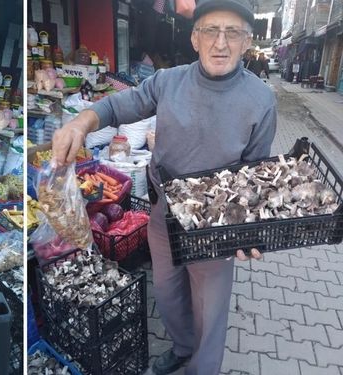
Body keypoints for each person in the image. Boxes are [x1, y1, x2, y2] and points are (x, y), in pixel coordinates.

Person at [51, 0, 277, 373]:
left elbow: (256, 174)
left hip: (216, 224)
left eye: (232, 32)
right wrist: (80, 123)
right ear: (194, 38)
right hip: (165, 210)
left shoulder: (260, 100)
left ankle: (202, 366)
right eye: (211, 31)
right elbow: (120, 106)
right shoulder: (168, 81)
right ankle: (182, 347)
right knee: (169, 292)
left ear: (246, 41)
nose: (221, 43)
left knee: (211, 305)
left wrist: (247, 232)